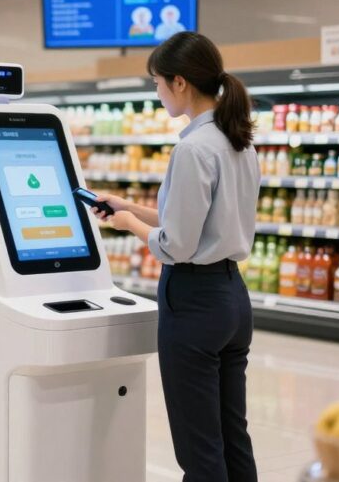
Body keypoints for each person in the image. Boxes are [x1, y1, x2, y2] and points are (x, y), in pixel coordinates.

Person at [92, 31, 260, 482]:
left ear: (180, 83)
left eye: (157, 82)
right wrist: (128, 206)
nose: (157, 91)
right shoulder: (237, 141)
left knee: (199, 449)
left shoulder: (191, 149)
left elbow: (177, 244)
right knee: (232, 436)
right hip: (231, 298)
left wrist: (128, 226)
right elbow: (197, 221)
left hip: (193, 302)